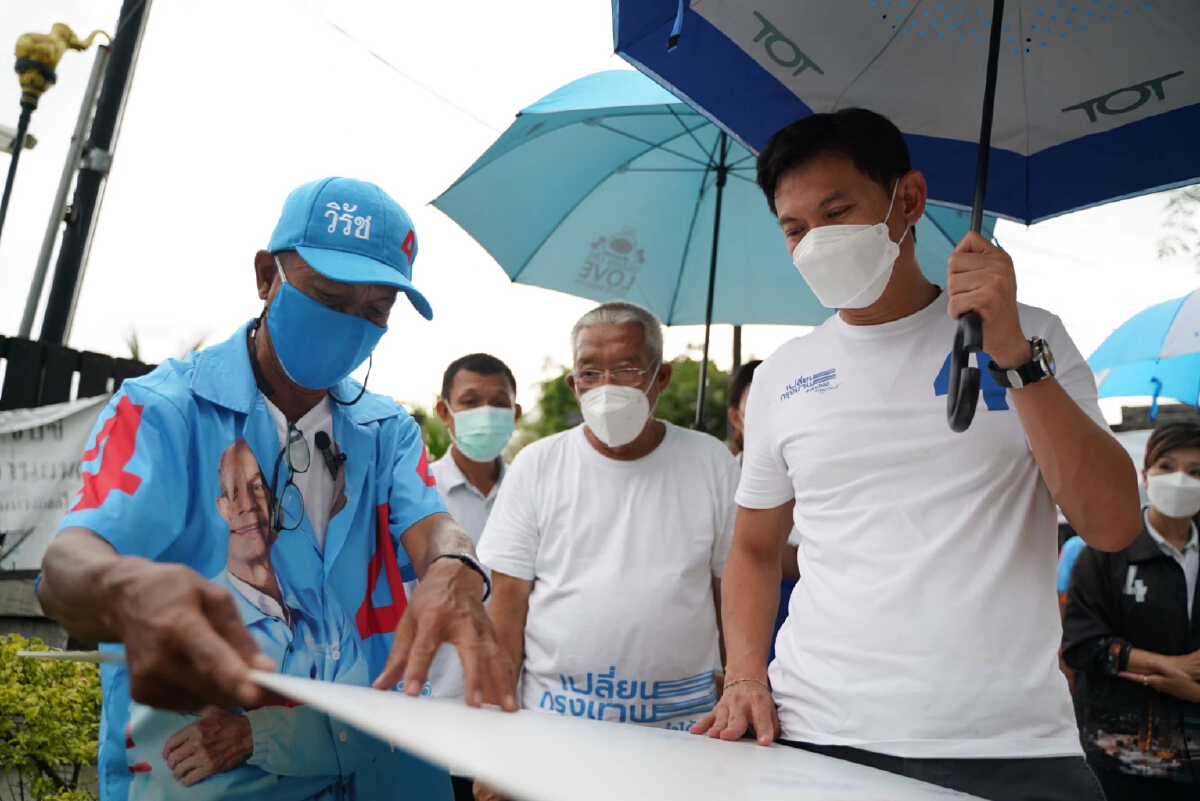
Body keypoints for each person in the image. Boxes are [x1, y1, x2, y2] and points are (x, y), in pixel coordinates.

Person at [692, 109, 1142, 801]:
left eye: (837, 211)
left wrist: (1014, 356)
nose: (816, 241)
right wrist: (748, 674)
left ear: (907, 199)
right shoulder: (786, 372)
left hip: (1011, 747)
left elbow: (1112, 524)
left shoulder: (1034, 337)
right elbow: (753, 548)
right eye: (795, 227)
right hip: (817, 735)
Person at [36, 177, 517, 801]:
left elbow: (433, 529)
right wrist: (122, 589)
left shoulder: (387, 431)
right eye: (329, 297)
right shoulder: (166, 412)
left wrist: (454, 566)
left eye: (376, 312)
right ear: (267, 276)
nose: (351, 326)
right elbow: (65, 567)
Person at [474, 301, 739, 798]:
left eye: (627, 368)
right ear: (573, 386)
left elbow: (734, 596)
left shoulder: (711, 464)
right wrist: (496, 742)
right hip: (555, 736)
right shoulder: (537, 466)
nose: (608, 387)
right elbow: (505, 612)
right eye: (590, 372)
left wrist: (741, 692)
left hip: (683, 738)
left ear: (661, 378)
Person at [126, 439, 386, 799]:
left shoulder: (324, 610)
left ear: (276, 505)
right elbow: (196, 782)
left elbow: (367, 732)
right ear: (219, 510)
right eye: (233, 494)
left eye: (256, 488)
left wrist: (250, 735)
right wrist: (320, 748)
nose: (247, 506)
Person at [1063, 421, 1200, 799]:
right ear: (1146, 474)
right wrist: (1165, 665)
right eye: (1167, 467)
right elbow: (1081, 644)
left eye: (1196, 472)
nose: (1180, 480)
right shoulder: (1106, 549)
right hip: (1121, 760)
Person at [429, 353, 520, 801]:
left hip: (514, 722)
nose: (485, 413)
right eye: (469, 401)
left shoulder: (532, 492)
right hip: (433, 725)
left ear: (516, 413)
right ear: (444, 411)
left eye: (497, 402)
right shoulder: (418, 497)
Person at [727, 360, 799, 665]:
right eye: (758, 407)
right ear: (737, 418)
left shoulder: (812, 478)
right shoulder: (721, 474)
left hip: (798, 621)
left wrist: (754, 544)